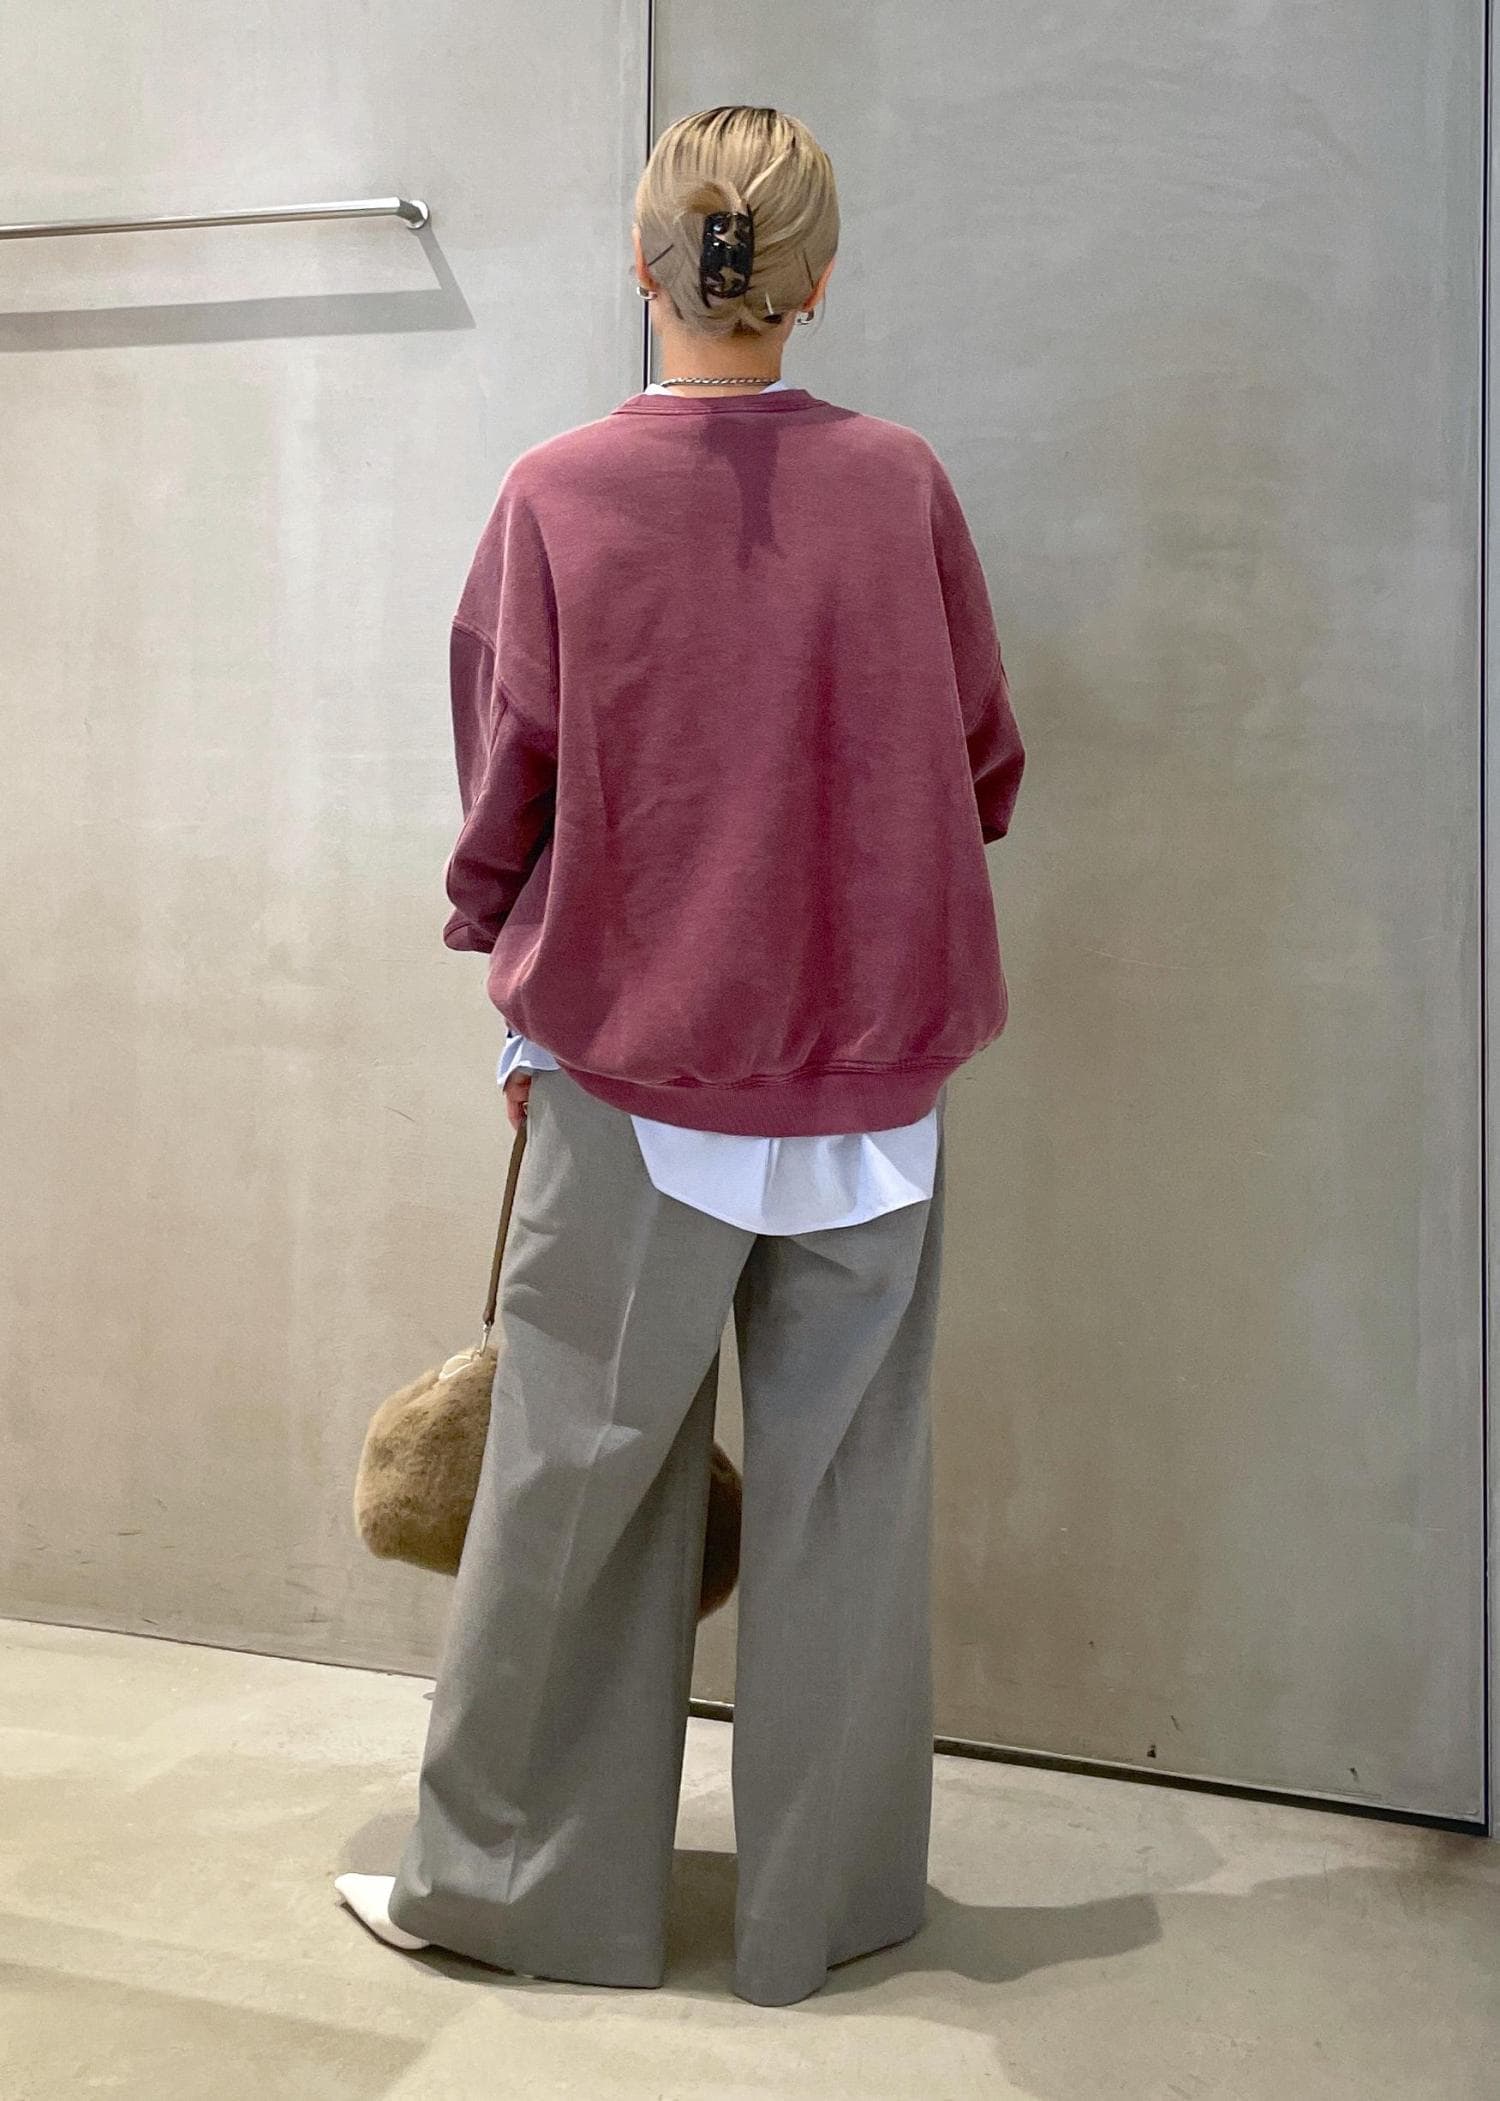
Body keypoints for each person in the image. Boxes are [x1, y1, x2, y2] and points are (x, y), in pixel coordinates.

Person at [335, 104, 1024, 2008]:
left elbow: (507, 792)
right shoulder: (902, 487)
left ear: (643, 268)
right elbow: (983, 761)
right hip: (878, 1082)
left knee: (576, 1485)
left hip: (638, 1071)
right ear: (816, 279)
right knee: (848, 1501)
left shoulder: (559, 495)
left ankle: (524, 1895)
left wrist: (518, 974)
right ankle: (825, 1914)